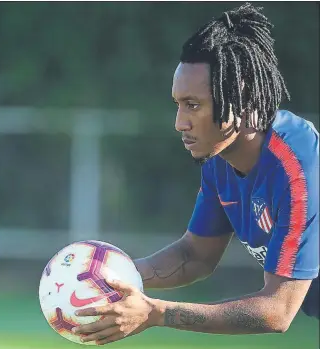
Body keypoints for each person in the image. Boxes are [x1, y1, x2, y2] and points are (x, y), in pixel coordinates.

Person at [72, 2, 319, 345]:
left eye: (193, 105)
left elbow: (277, 310)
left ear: (240, 99)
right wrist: (112, 274)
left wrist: (156, 312)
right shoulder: (220, 160)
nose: (180, 123)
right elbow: (195, 255)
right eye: (178, 104)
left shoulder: (297, 165)